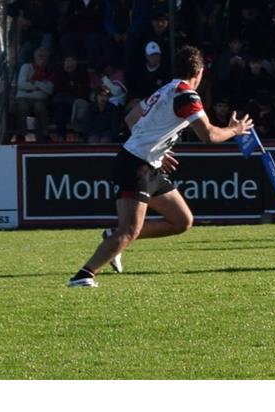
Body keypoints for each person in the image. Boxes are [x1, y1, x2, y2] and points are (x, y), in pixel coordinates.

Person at [67, 46, 253, 287]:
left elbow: (131, 118)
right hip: (135, 165)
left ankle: (113, 238)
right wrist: (236, 130)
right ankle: (84, 275)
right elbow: (208, 135)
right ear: (199, 72)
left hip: (148, 163)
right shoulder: (187, 95)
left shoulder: (165, 89)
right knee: (129, 230)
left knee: (181, 221)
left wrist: (157, 148)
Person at [12, 47, 55, 142]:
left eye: (44, 56)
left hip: (40, 99)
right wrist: (40, 87)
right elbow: (21, 84)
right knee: (22, 107)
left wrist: (35, 83)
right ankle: (21, 135)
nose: (42, 58)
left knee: (40, 107)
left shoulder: (49, 72)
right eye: (39, 56)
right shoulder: (26, 67)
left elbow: (49, 90)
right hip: (23, 98)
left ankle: (43, 135)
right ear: (34, 57)